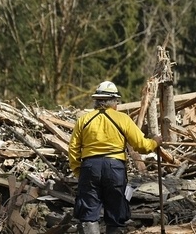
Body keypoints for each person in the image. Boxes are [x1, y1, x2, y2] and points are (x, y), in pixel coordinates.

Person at [69, 81, 162, 234]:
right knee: (116, 211)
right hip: (114, 168)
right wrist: (155, 142)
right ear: (113, 102)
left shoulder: (84, 120)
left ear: (97, 100)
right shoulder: (123, 119)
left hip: (90, 166)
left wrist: (79, 171)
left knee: (88, 213)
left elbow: (73, 148)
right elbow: (142, 146)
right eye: (117, 102)